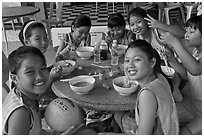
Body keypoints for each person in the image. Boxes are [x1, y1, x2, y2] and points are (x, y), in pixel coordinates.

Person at [2, 46, 97, 135]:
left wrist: (51, 78)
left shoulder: (21, 93)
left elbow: (37, 97)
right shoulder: (20, 113)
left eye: (43, 68)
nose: (39, 76)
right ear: (15, 78)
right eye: (30, 72)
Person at [100, 40, 179, 135]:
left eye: (137, 60)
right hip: (170, 131)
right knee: (118, 114)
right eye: (127, 60)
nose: (130, 65)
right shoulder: (160, 77)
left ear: (152, 62)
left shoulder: (147, 94)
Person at [159, 15, 202, 135]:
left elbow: (196, 70)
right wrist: (171, 59)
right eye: (186, 30)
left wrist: (174, 42)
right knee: (164, 116)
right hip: (193, 105)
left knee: (184, 132)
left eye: (192, 31)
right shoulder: (196, 51)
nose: (186, 34)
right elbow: (187, 74)